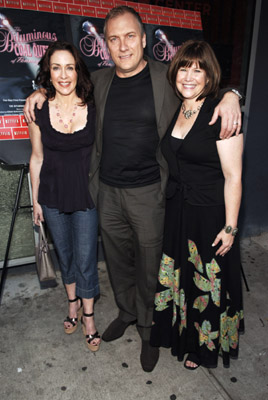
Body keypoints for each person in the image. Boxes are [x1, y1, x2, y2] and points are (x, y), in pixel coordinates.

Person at [24, 6, 242, 372]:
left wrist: (234, 93)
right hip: (106, 192)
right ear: (104, 43)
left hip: (149, 193)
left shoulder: (167, 79)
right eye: (113, 38)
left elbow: (205, 88)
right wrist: (39, 93)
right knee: (118, 263)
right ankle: (126, 312)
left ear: (143, 39)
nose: (122, 45)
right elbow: (63, 87)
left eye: (129, 36)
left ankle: (148, 326)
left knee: (149, 266)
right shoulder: (100, 81)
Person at [150, 40, 244, 370]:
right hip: (178, 211)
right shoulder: (179, 106)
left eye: (198, 69)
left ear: (209, 75)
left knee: (206, 283)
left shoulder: (221, 112)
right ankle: (183, 337)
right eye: (185, 68)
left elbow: (234, 177)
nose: (190, 76)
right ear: (175, 72)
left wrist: (230, 227)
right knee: (183, 279)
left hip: (208, 214)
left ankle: (203, 348)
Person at [28, 41, 101, 352]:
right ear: (49, 72)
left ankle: (88, 318)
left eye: (69, 66)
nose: (63, 74)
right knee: (66, 257)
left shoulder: (94, 104)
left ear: (77, 70)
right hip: (53, 196)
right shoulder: (38, 108)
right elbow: (36, 158)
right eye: (56, 67)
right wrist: (35, 202)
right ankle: (71, 304)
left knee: (86, 259)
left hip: (87, 196)